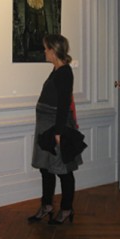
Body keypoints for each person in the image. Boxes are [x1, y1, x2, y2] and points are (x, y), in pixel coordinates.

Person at [28, 34, 84, 225]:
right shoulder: (56, 70)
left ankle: (66, 209)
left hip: (55, 128)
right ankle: (47, 205)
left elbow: (63, 105)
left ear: (53, 50)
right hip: (46, 127)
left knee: (63, 170)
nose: (44, 51)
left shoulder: (65, 72)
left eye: (46, 48)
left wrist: (59, 132)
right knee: (46, 168)